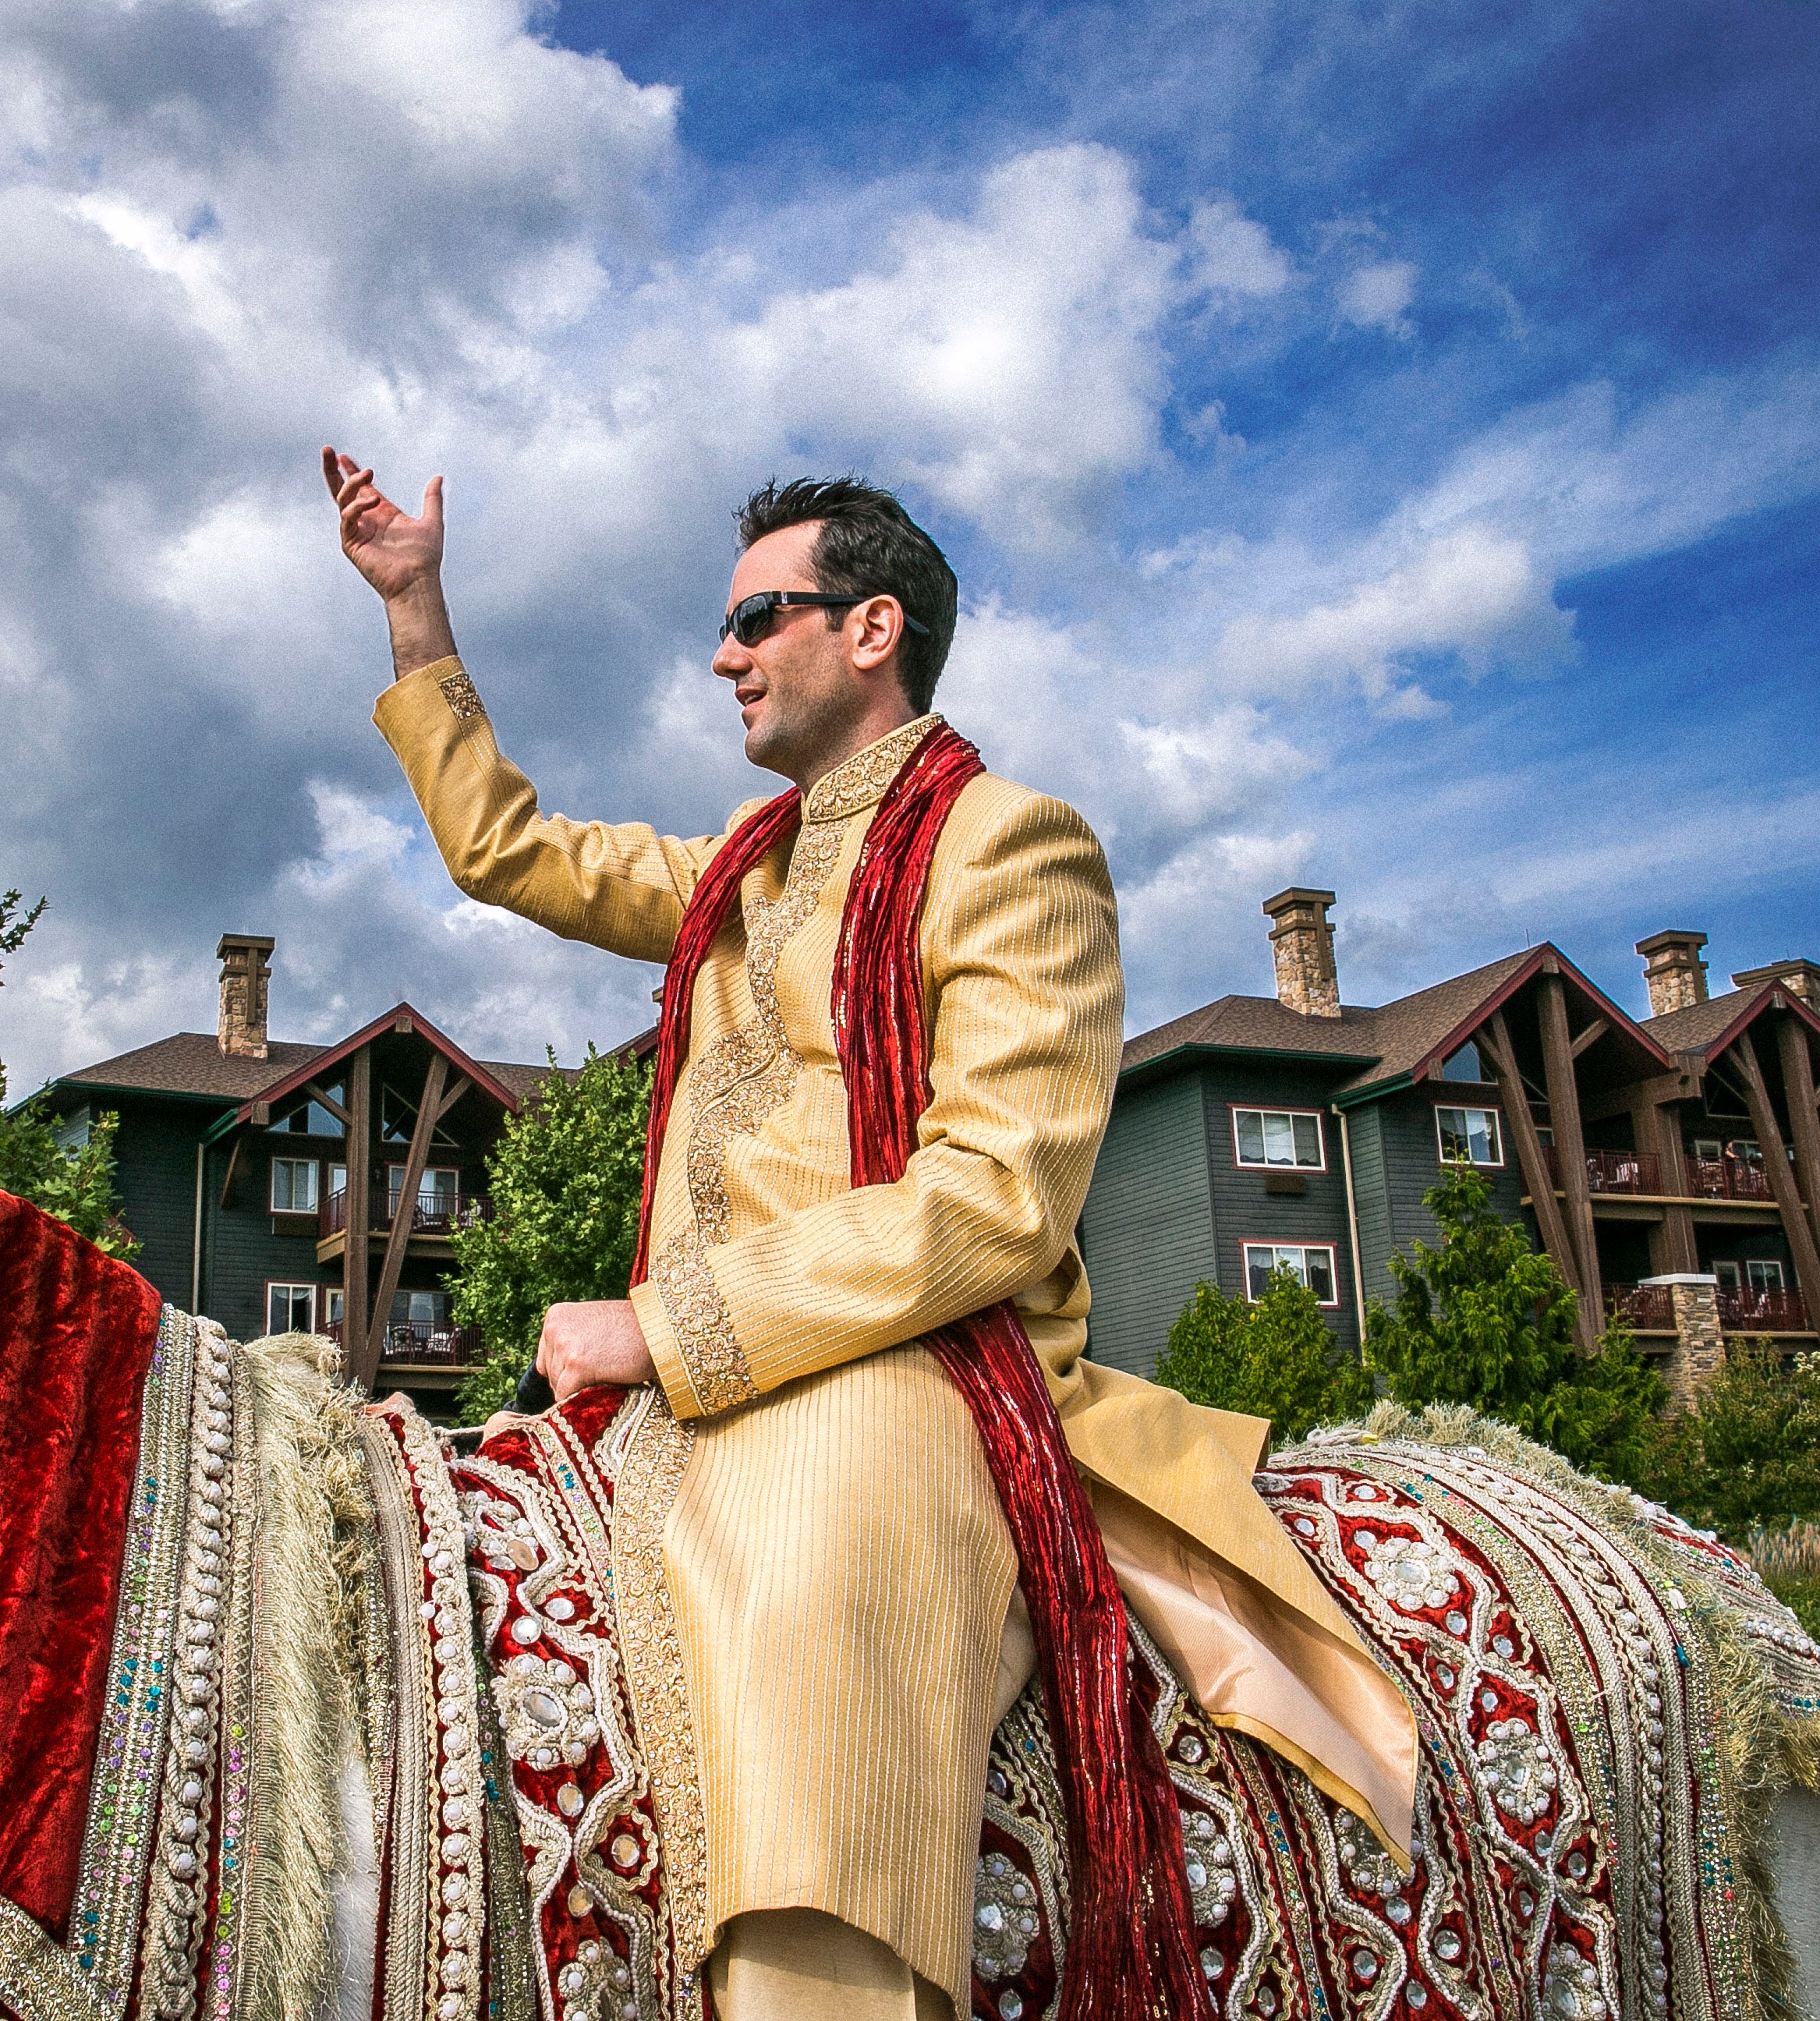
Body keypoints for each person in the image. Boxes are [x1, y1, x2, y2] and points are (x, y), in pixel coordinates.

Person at [321, 450, 1416, 2021]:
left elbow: (992, 1201)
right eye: (728, 626)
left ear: (873, 627)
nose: (723, 656)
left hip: (911, 1371)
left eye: (758, 617)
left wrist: (669, 1325)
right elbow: (512, 851)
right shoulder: (739, 872)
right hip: (700, 1377)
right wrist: (416, 611)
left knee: (818, 1611)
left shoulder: (1011, 845)